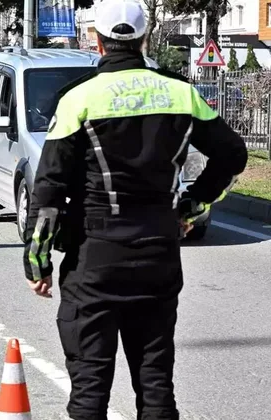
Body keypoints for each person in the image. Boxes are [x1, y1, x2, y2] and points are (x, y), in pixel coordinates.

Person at [21, 0, 248, 418]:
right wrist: (192, 206)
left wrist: (37, 262)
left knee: (91, 386)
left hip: (96, 255)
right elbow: (233, 155)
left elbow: (49, 187)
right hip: (158, 252)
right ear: (145, 37)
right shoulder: (182, 92)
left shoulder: (78, 98)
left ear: (98, 39)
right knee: (155, 380)